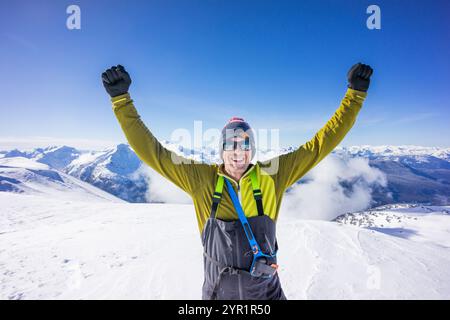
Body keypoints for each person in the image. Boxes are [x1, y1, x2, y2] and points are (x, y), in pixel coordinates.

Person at [101, 63, 373, 300]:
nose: (238, 151)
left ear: (251, 150)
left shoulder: (273, 175)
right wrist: (122, 101)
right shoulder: (201, 180)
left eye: (245, 145)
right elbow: (153, 152)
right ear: (221, 149)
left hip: (268, 295)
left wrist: (355, 95)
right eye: (231, 144)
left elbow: (319, 145)